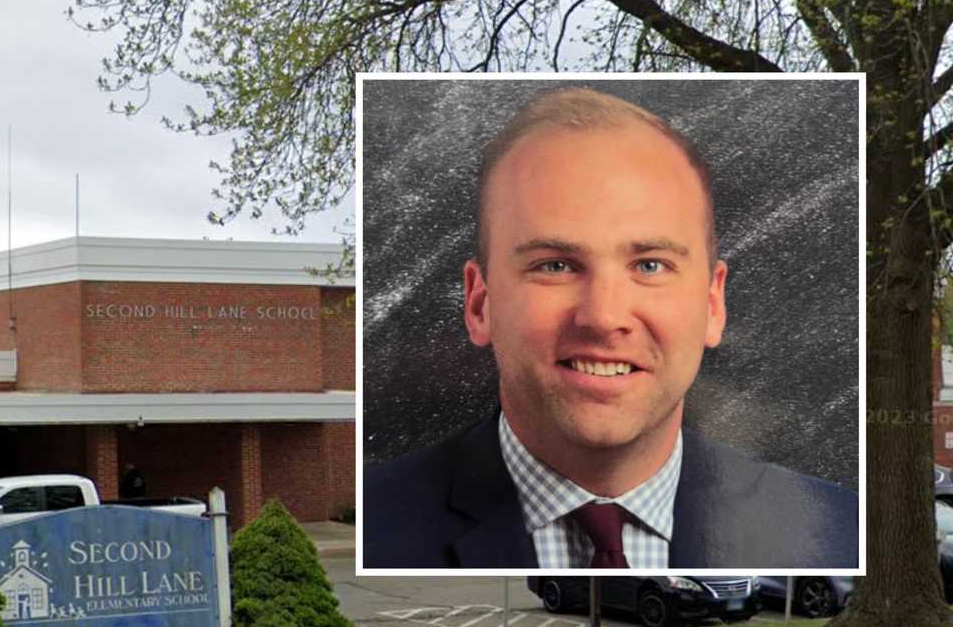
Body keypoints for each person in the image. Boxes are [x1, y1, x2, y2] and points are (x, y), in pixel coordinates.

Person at [363, 86, 858, 570]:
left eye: (650, 265)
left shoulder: (836, 534)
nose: (603, 317)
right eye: (554, 265)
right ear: (479, 304)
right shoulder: (378, 529)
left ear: (712, 304)